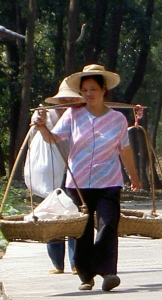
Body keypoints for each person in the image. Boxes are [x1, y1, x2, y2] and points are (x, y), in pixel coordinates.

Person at [32, 64, 142, 292]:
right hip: (78, 183)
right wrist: (42, 128)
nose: (88, 94)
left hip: (109, 181)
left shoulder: (118, 119)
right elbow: (54, 139)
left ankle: (108, 272)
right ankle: (85, 275)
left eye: (93, 89)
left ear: (103, 90)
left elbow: (124, 150)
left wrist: (134, 176)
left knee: (108, 224)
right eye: (84, 90)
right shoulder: (73, 115)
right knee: (81, 229)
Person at [27, 78, 85, 275]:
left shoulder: (80, 115)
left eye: (71, 98)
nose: (67, 102)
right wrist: (39, 120)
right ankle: (56, 262)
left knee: (74, 214)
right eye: (64, 99)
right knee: (52, 214)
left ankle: (76, 261)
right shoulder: (49, 114)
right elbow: (39, 131)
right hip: (51, 171)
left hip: (74, 169)